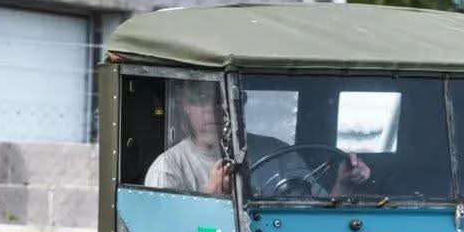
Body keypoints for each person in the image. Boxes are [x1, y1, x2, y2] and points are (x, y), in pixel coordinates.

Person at [144, 81, 371, 197]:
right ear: (186, 107)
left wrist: (344, 183)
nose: (213, 111)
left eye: (223, 101)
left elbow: (318, 215)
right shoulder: (169, 168)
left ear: (239, 104)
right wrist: (210, 201)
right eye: (202, 100)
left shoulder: (278, 154)